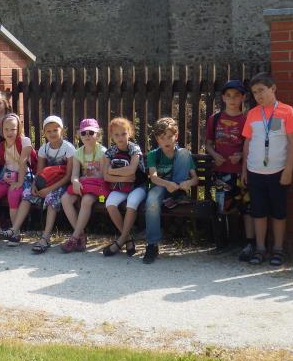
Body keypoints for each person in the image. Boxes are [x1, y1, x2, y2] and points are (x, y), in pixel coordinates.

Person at [241, 72, 293, 266]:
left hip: (278, 172)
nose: (258, 95)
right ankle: (260, 249)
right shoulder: (252, 113)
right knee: (258, 212)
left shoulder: (287, 111)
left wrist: (288, 170)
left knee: (278, 213)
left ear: (273, 88)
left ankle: (278, 249)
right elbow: (247, 143)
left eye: (261, 90)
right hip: (255, 171)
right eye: (254, 92)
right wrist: (244, 170)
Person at [2, 115, 74, 253]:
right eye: (48, 131)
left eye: (55, 130)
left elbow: (68, 176)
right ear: (44, 133)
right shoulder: (44, 149)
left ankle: (45, 238)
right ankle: (14, 229)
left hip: (61, 184)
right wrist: (34, 185)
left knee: (51, 198)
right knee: (27, 194)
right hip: (46, 183)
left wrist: (49, 189)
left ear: (62, 130)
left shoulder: (68, 148)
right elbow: (39, 172)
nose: (52, 133)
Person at [205, 79, 255, 259]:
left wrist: (241, 154)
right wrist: (214, 154)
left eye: (236, 96)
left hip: (243, 171)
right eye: (229, 95)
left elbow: (252, 144)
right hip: (222, 171)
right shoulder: (215, 119)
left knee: (247, 209)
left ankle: (249, 243)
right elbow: (208, 143)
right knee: (223, 207)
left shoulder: (248, 119)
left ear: (243, 97)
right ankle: (224, 243)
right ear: (223, 98)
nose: (232, 99)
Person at [143, 117, 200, 264]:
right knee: (151, 202)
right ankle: (152, 245)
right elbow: (153, 177)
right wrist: (167, 184)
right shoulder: (153, 154)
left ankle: (177, 195)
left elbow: (195, 179)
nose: (166, 141)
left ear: (176, 136)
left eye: (169, 136)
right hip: (161, 186)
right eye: (162, 138)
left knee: (184, 153)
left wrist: (188, 182)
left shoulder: (183, 155)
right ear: (157, 139)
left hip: (177, 188)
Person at [0, 113, 34, 243]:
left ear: (18, 129)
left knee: (13, 194)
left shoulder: (25, 141)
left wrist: (20, 182)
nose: (9, 132)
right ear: (1, 130)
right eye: (6, 129)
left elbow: (23, 161)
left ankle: (15, 232)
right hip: (6, 176)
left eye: (13, 129)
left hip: (23, 175)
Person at [61, 118, 109, 253]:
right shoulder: (78, 153)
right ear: (79, 135)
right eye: (83, 133)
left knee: (86, 200)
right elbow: (74, 174)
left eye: (91, 133)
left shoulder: (102, 152)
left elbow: (104, 175)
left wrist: (86, 178)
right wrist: (76, 181)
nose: (87, 136)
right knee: (65, 199)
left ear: (98, 134)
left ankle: (74, 237)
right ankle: (81, 235)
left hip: (97, 187)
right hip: (84, 185)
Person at [102, 117, 147, 257]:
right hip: (121, 187)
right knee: (110, 203)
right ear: (111, 136)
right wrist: (124, 177)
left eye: (123, 134)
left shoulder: (134, 149)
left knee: (132, 203)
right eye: (116, 134)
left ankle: (120, 240)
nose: (120, 137)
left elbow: (132, 170)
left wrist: (112, 171)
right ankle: (127, 238)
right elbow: (106, 177)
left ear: (129, 133)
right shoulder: (110, 152)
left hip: (138, 186)